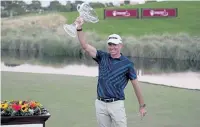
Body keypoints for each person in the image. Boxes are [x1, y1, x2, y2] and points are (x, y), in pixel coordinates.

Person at [74, 16, 147, 127]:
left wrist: (142, 105)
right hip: (100, 104)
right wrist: (79, 28)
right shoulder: (102, 56)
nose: (112, 47)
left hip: (116, 104)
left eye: (115, 45)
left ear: (120, 45)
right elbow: (85, 46)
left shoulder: (127, 64)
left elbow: (136, 85)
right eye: (110, 44)